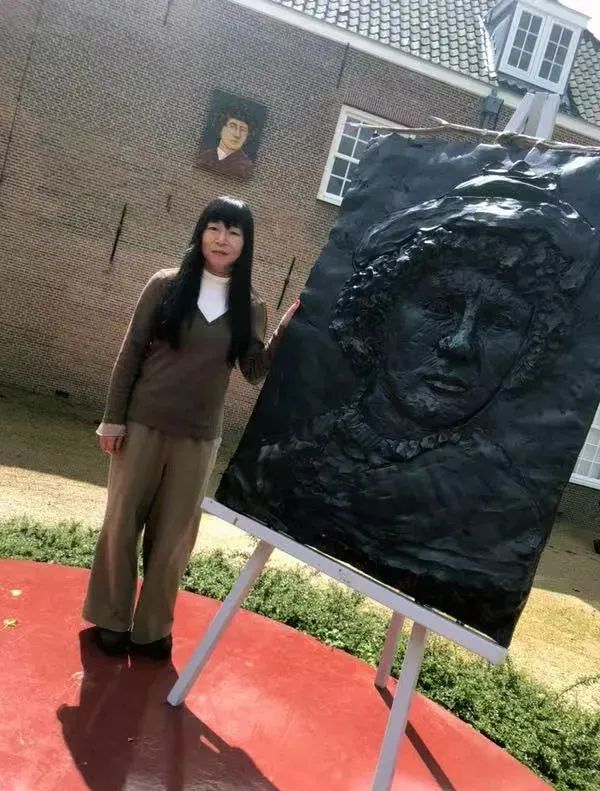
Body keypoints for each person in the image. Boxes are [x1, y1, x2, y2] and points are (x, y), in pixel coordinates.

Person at [221, 167, 598, 646]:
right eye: (440, 308)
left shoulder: (498, 514)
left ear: (530, 347)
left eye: (500, 321)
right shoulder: (282, 460)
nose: (459, 345)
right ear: (380, 313)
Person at [83, 196, 298, 659]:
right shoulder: (165, 285)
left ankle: (152, 629)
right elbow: (131, 352)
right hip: (141, 425)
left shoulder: (251, 306)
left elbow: (254, 371)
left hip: (199, 438)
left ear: (245, 243)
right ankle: (112, 618)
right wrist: (112, 418)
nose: (223, 239)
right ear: (201, 232)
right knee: (122, 525)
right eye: (215, 227)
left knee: (174, 539)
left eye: (234, 232)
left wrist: (283, 332)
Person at [197, 107, 255, 179]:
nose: (237, 134)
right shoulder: (204, 157)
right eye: (232, 126)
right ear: (221, 128)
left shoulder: (246, 168)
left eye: (243, 130)